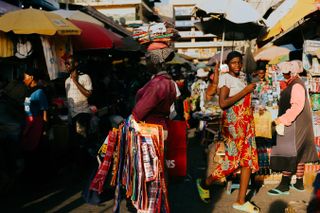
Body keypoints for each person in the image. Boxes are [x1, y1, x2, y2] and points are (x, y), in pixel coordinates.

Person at [196, 51, 260, 213]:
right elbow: (223, 103)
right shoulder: (225, 79)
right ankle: (205, 183)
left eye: (239, 62)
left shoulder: (243, 77)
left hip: (246, 125)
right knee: (232, 162)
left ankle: (240, 201)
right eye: (233, 63)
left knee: (248, 161)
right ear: (228, 64)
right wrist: (246, 91)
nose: (237, 65)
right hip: (233, 126)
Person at [268, 60, 319, 195]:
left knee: (289, 151)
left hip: (296, 123)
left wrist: (282, 120)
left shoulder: (296, 86)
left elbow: (296, 106)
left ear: (292, 72)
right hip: (301, 123)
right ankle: (299, 182)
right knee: (299, 151)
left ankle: (284, 185)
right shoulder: (296, 83)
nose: (283, 75)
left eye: (286, 73)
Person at [64, 55, 93, 166]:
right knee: (75, 142)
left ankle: (85, 166)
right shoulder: (67, 81)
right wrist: (69, 116)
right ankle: (81, 164)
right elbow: (68, 99)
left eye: (68, 63)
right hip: (73, 114)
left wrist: (76, 81)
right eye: (65, 64)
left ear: (75, 64)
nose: (66, 66)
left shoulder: (84, 77)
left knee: (81, 142)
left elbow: (88, 94)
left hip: (82, 114)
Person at [21, 68, 48, 152]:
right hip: (28, 124)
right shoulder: (28, 91)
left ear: (31, 77)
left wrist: (44, 129)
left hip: (36, 126)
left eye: (25, 77)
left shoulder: (39, 92)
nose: (23, 80)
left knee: (35, 151)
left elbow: (44, 111)